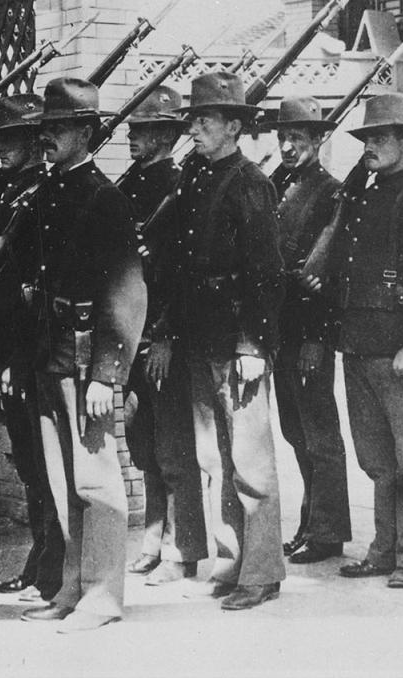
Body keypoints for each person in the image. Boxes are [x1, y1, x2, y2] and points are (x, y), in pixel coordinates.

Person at [12, 77, 146, 631]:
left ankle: (102, 595)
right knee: (63, 479)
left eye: (60, 127)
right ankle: (72, 586)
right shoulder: (46, 192)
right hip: (49, 352)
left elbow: (126, 292)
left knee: (95, 480)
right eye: (44, 127)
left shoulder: (104, 198)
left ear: (87, 133)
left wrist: (106, 374)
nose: (47, 136)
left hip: (87, 357)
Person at [157, 71, 285, 611]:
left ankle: (262, 572)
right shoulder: (194, 179)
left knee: (250, 464)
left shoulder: (251, 183)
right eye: (193, 119)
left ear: (234, 126)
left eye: (205, 119)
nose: (194, 128)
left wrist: (253, 344)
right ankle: (231, 563)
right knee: (215, 460)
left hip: (236, 340)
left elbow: (266, 273)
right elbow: (175, 264)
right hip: (199, 334)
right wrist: (170, 330)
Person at [322, 92, 403, 588]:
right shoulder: (364, 196)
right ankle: (384, 549)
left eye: (380, 138)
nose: (370, 147)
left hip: (400, 351)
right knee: (378, 461)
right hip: (360, 345)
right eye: (367, 138)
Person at [117, 87, 209, 583]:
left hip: (162, 335)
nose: (131, 137)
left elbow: (181, 270)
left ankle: (183, 550)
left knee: (175, 447)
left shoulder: (178, 186)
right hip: (132, 332)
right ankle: (153, 539)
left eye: (142, 130)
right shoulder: (132, 182)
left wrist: (167, 334)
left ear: (166, 136)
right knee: (145, 445)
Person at [0, 93, 65, 602]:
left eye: (10, 139)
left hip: (31, 343)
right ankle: (40, 556)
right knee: (30, 459)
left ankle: (52, 567)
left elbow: (31, 280)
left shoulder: (42, 192)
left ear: (35, 142)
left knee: (43, 454)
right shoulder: (5, 187)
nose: (0, 148)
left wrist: (18, 355)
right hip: (7, 338)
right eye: (0, 138)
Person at [262, 95, 352, 564]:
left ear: (317, 140)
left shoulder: (331, 193)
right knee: (296, 432)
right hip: (281, 330)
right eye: (282, 137)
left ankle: (328, 532)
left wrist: (319, 338)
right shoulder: (274, 185)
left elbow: (329, 276)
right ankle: (309, 522)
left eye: (297, 137)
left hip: (308, 332)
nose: (287, 146)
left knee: (320, 434)